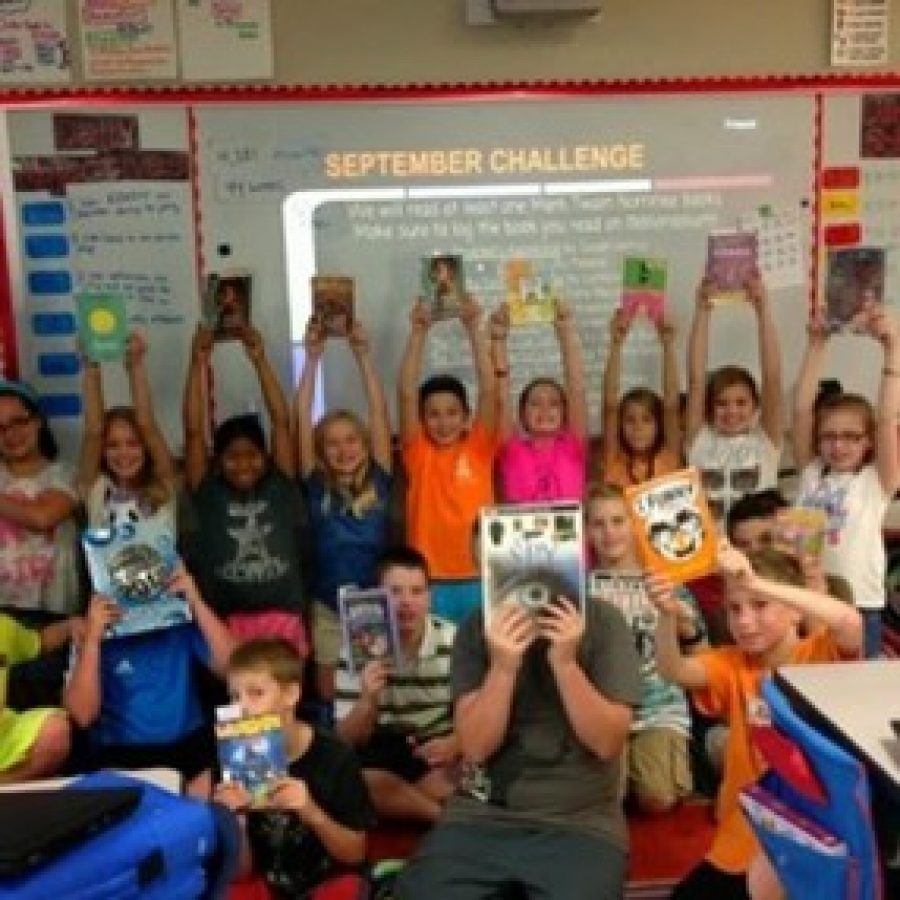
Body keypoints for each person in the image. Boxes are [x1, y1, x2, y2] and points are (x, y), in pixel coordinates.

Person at [396, 574, 642, 899]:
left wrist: (566, 664)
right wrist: (503, 668)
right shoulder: (476, 626)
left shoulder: (604, 622)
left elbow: (607, 742)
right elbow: (475, 747)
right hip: (481, 816)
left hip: (580, 821)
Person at [648, 539, 862, 900]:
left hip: (813, 841)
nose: (744, 622)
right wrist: (666, 616)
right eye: (734, 609)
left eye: (759, 606)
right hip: (743, 838)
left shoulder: (820, 653)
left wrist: (754, 581)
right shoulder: (733, 663)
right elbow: (673, 669)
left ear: (794, 610)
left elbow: (849, 620)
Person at [214, 639, 372, 900]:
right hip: (269, 885)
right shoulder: (232, 756)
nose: (241, 708)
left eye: (256, 693)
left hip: (328, 881)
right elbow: (241, 874)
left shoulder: (334, 757)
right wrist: (237, 822)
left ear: (290, 695)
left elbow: (356, 853)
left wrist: (311, 811)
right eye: (235, 696)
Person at [183, 324, 306, 654]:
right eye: (232, 457)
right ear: (218, 460)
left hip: (284, 618)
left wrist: (259, 359)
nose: (243, 465)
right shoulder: (207, 491)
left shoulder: (280, 483)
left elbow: (281, 421)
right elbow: (194, 432)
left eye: (252, 455)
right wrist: (197, 363)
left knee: (285, 702)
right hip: (227, 621)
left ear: (265, 457)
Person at [64, 566, 235, 797]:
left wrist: (196, 602)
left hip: (190, 750)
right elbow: (82, 715)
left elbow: (236, 670)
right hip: (123, 756)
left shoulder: (179, 622)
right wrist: (93, 638)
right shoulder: (92, 631)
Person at [586, 482, 705, 814]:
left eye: (618, 521)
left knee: (657, 799)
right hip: (604, 708)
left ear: (635, 525)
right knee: (608, 797)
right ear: (587, 532)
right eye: (598, 524)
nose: (609, 533)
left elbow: (702, 655)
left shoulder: (667, 582)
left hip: (659, 707)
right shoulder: (579, 588)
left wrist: (683, 623)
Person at [791, 304, 900, 658]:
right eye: (829, 436)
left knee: (851, 694)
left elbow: (886, 419)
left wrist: (892, 349)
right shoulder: (810, 471)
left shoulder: (875, 482)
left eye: (851, 437)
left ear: (867, 441)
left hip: (858, 604)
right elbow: (802, 409)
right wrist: (816, 345)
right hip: (806, 598)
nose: (838, 445)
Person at [296, 317, 393, 702]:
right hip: (326, 603)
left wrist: (363, 355)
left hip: (373, 600)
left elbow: (379, 411)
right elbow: (300, 418)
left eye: (352, 440)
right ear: (320, 453)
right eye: (332, 444)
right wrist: (312, 357)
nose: (343, 450)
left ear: (366, 445)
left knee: (376, 688)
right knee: (326, 689)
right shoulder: (316, 484)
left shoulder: (380, 480)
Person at [335, 546, 457, 824]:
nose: (406, 602)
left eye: (417, 591)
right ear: (376, 597)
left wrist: (456, 741)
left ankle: (400, 806)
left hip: (437, 752)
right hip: (382, 755)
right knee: (360, 781)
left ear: (430, 597)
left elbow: (475, 714)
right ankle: (440, 816)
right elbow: (345, 739)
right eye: (395, 591)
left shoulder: (454, 642)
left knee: (468, 773)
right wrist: (367, 700)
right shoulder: (355, 649)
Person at [398, 295, 497, 624]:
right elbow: (406, 393)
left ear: (467, 417)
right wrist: (417, 333)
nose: (443, 422)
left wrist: (473, 330)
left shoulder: (479, 448)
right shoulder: (418, 451)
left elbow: (489, 391)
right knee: (436, 667)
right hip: (430, 581)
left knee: (477, 665)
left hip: (479, 576)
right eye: (434, 415)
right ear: (423, 420)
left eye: (453, 413)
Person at [685, 273, 783, 524]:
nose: (731, 411)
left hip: (756, 551)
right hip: (713, 552)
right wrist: (702, 311)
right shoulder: (700, 439)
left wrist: (763, 311)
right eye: (721, 403)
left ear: (756, 406)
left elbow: (772, 378)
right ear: (709, 406)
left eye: (741, 403)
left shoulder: (765, 440)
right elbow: (696, 379)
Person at [490, 300, 589, 503]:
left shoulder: (573, 444)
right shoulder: (511, 447)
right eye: (535, 403)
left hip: (570, 534)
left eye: (554, 403)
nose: (545, 410)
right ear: (522, 414)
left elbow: (576, 388)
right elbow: (500, 396)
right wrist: (498, 340)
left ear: (565, 412)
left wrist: (566, 333)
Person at [77, 332, 177, 531]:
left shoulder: (162, 484)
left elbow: (147, 423)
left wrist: (135, 366)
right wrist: (91, 365)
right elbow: (94, 431)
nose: (123, 453)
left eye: (133, 443)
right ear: (102, 452)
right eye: (112, 445)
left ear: (146, 447)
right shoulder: (96, 487)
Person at [0, 380, 79, 614]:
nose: (10, 434)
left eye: (19, 422)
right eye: (0, 427)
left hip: (54, 614)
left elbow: (42, 518)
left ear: (38, 421)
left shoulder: (67, 474)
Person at [600, 308, 683, 488]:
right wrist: (616, 344)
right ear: (620, 426)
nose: (638, 427)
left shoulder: (669, 456)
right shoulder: (614, 459)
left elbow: (671, 405)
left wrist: (667, 344)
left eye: (647, 420)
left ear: (659, 425)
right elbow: (610, 406)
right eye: (630, 420)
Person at [0, 611, 77, 783]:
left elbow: (39, 642)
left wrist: (71, 625)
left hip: (3, 736)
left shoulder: (3, 627)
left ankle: (8, 783)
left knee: (55, 729)